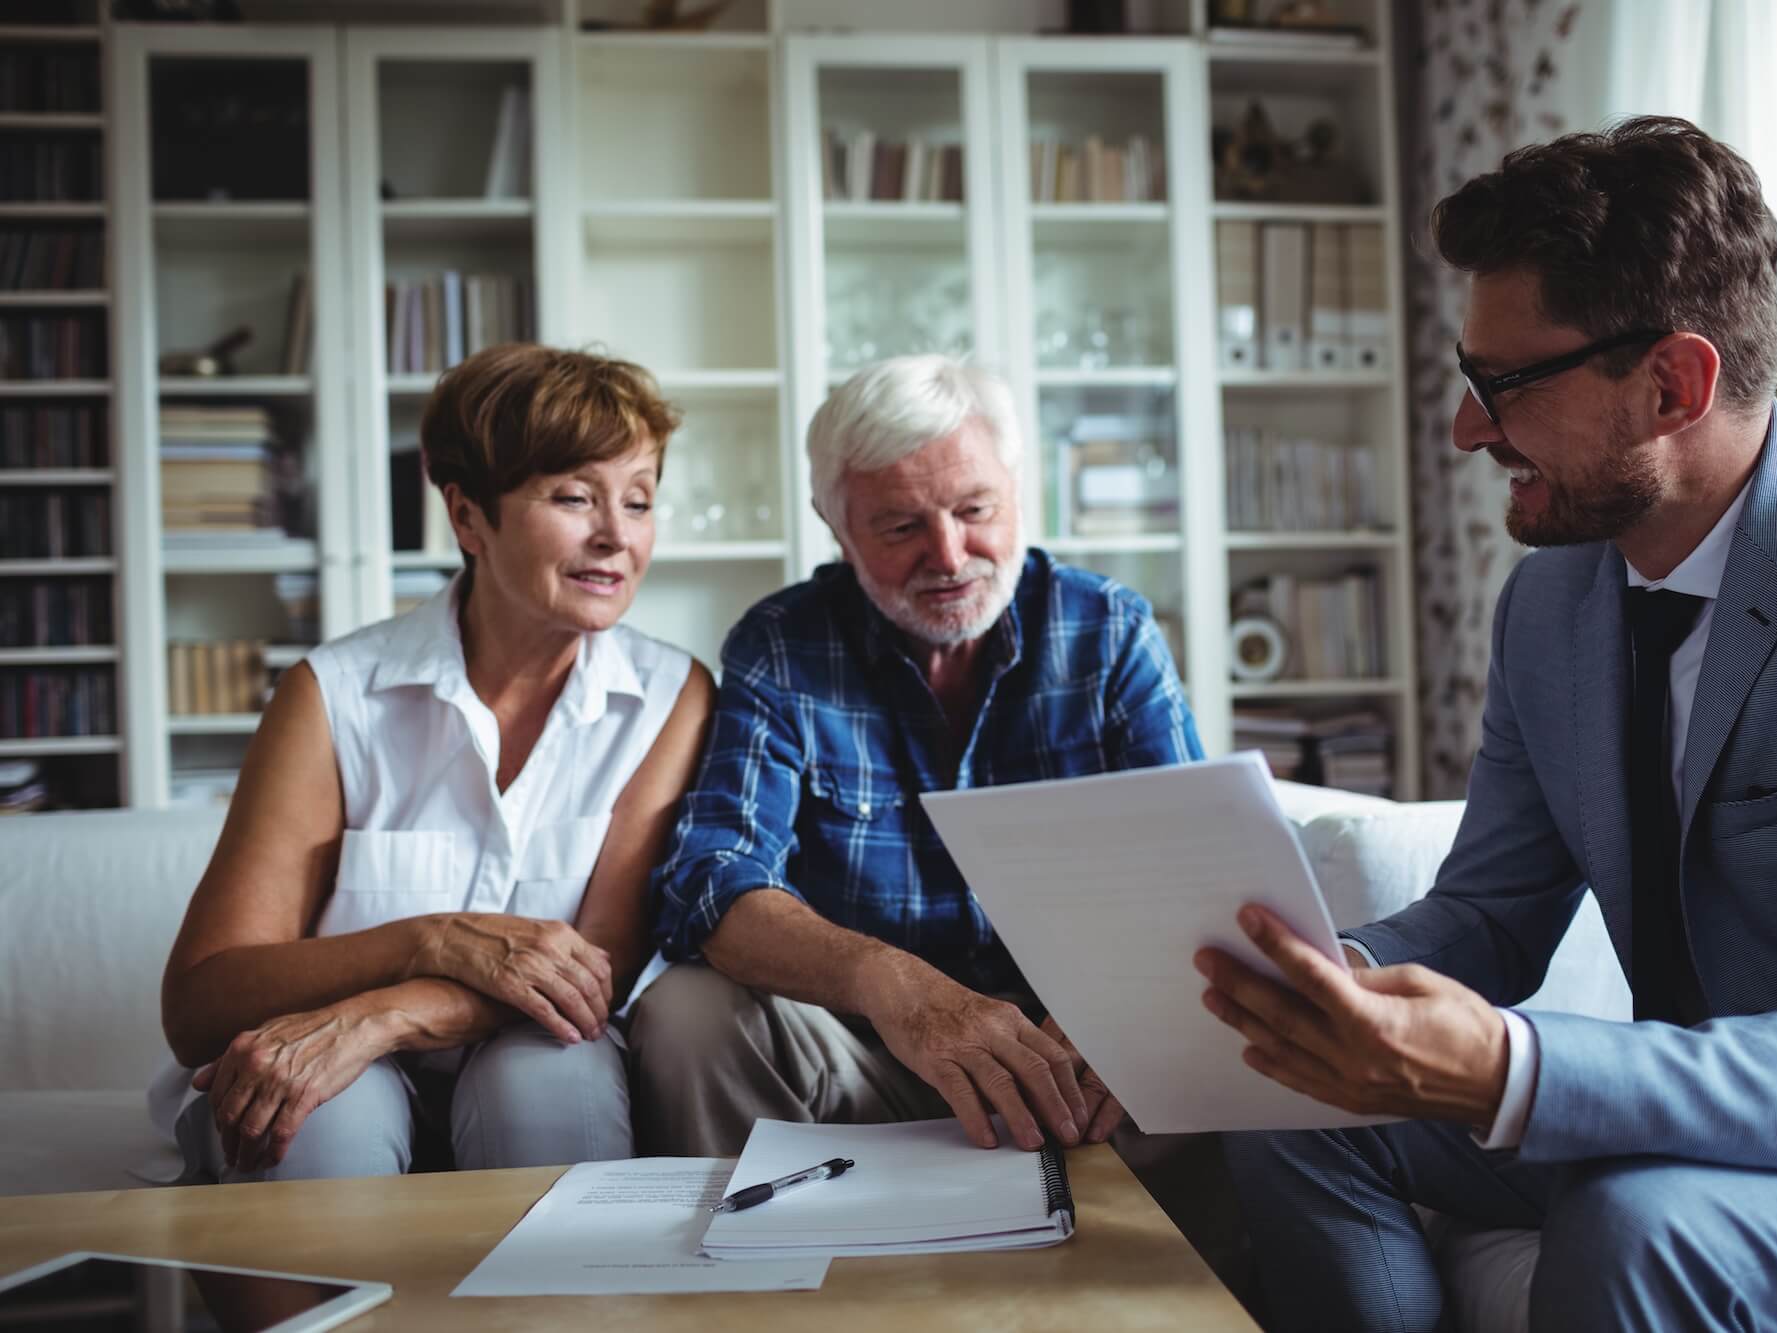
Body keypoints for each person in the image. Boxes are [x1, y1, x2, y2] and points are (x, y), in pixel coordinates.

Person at [1202, 115, 1777, 1331]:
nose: (1468, 430)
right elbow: (1489, 912)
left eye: (1504, 384)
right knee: (1294, 1110)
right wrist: (1320, 985)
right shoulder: (1552, 596)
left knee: (1638, 1227)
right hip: (1677, 1115)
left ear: (1673, 383)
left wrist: (1515, 1066)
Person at [152, 343, 715, 1182]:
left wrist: (383, 1016)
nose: (616, 536)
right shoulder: (332, 694)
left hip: (531, 1055)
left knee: (550, 1074)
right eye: (573, 496)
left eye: (638, 501)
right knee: (322, 1120)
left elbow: (595, 974)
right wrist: (433, 941)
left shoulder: (673, 695)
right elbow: (201, 1004)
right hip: (329, 1075)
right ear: (467, 518)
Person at [629, 354, 1202, 1158]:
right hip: (866, 1058)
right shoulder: (784, 643)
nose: (948, 553)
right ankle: (762, 1272)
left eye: (975, 509)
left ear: (1017, 490)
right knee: (685, 1013)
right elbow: (715, 882)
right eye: (901, 526)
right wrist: (895, 987)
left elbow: (1194, 867)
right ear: (838, 531)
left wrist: (1118, 999)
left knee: (1205, 1032)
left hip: (1080, 1055)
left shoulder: (1110, 630)